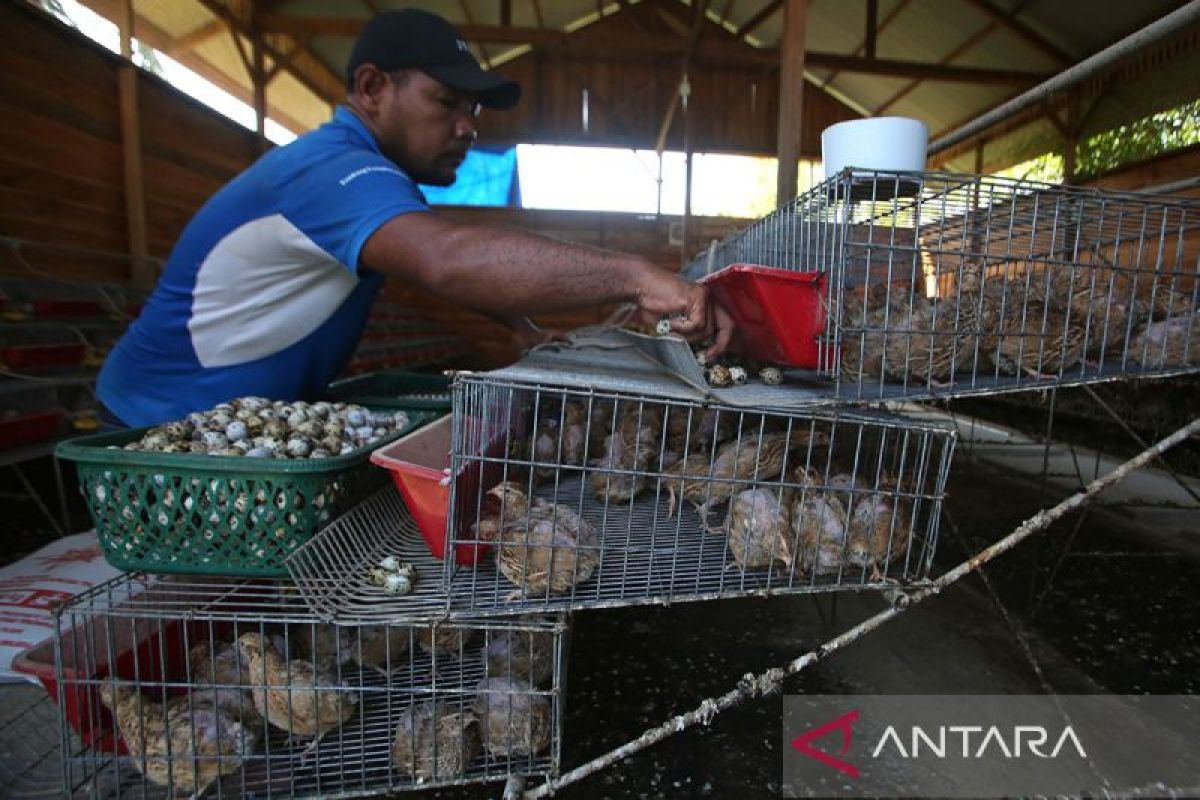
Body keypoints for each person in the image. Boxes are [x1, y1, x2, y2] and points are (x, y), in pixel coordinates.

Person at [97, 9, 734, 428]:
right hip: (160, 427)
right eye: (446, 101)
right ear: (372, 88)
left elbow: (433, 262)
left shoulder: (371, 180)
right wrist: (636, 274)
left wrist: (520, 326)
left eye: (475, 111)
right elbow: (446, 259)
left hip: (230, 422)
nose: (467, 126)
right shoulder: (332, 171)